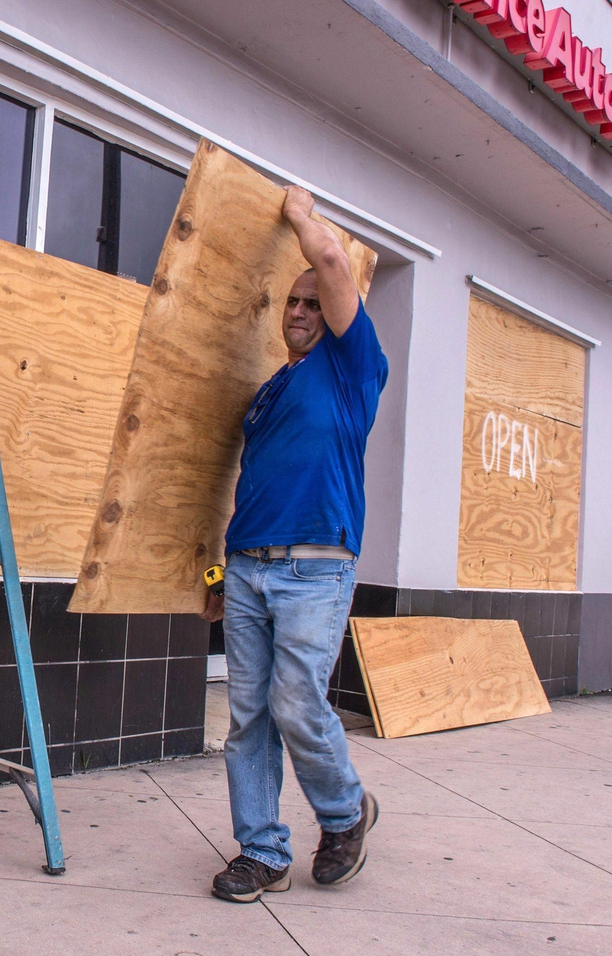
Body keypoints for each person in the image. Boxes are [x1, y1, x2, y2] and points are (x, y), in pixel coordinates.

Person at [202, 186, 390, 903]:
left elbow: (336, 261)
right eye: (293, 302)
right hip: (249, 568)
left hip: (317, 568)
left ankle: (345, 812)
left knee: (296, 700)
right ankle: (262, 850)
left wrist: (301, 217)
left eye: (314, 301)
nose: (303, 310)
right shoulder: (271, 390)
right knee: (246, 714)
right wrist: (223, 572)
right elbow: (249, 487)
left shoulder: (351, 369)